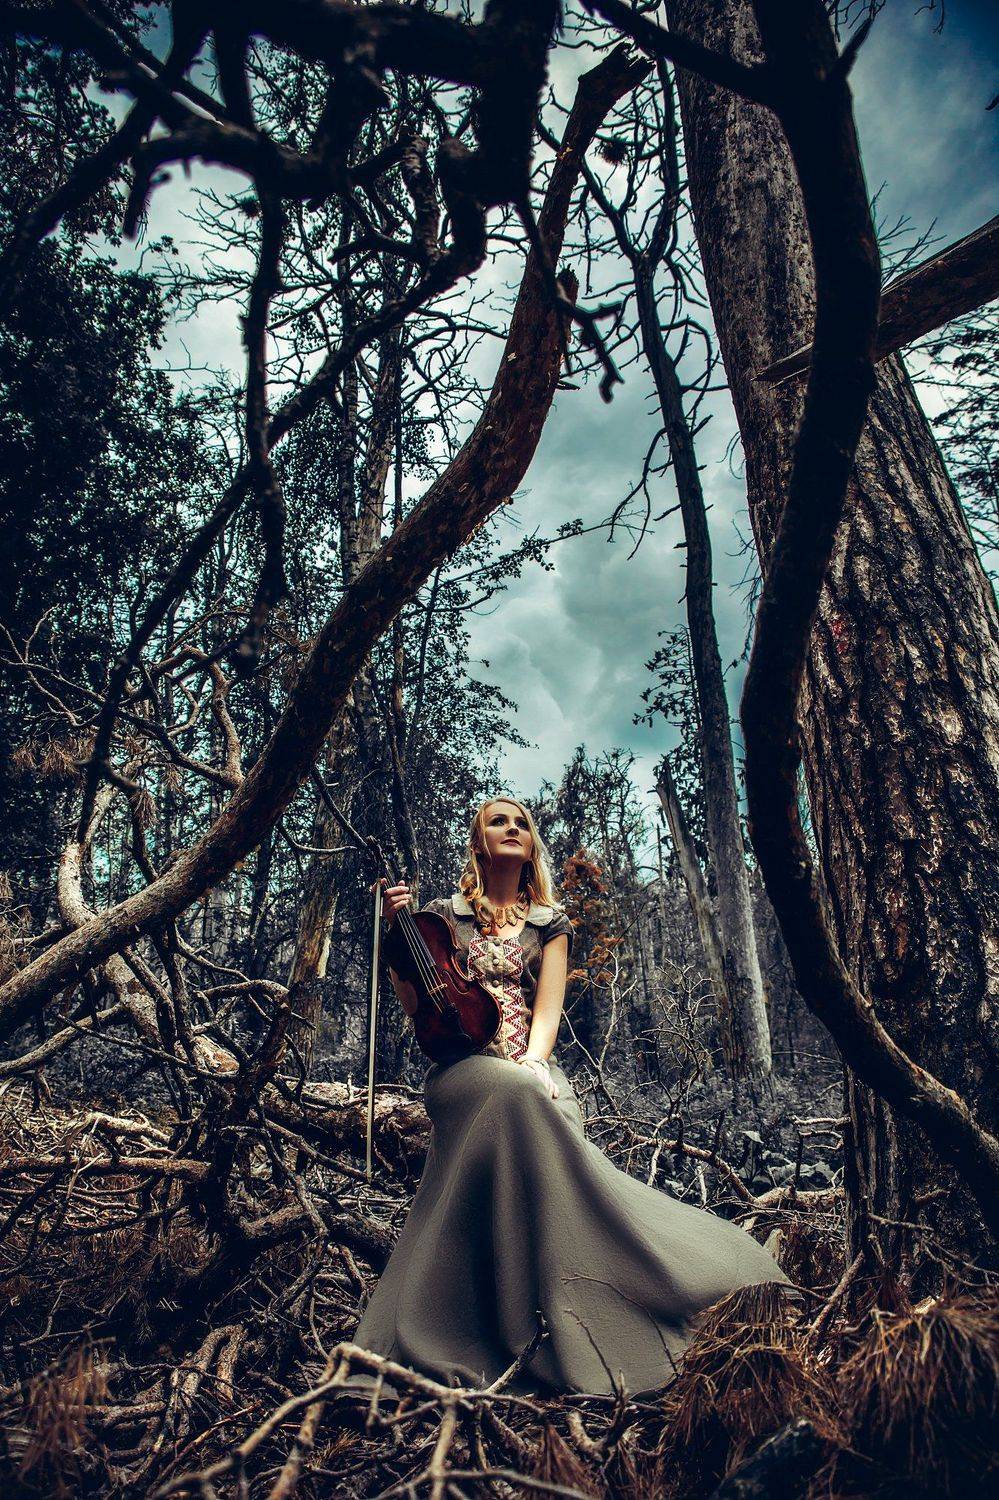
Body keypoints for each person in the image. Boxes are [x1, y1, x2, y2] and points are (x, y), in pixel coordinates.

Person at [341, 796, 789, 1401]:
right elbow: (417, 1006)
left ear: (531, 846)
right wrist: (393, 931)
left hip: (532, 1070)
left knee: (536, 1108)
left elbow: (547, 1010)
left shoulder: (548, 923)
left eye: (522, 822)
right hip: (463, 1074)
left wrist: (533, 1064)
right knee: (509, 1094)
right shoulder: (440, 919)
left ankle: (642, 1293)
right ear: (478, 841)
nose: (513, 828)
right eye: (499, 821)